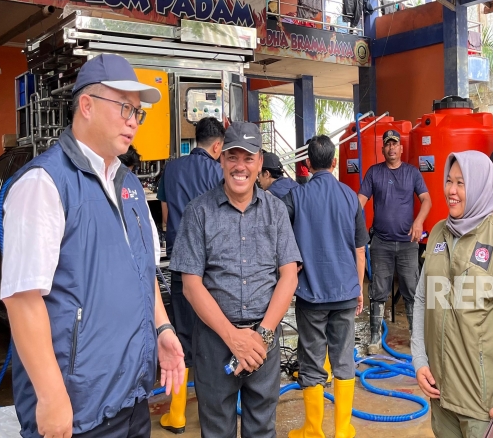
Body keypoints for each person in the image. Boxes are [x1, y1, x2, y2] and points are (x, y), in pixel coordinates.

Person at [0, 53, 185, 438]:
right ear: (86, 105)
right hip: (78, 409)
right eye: (125, 108)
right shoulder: (44, 185)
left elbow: (144, 271)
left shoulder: (130, 185)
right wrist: (51, 397)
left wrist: (163, 329)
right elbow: (22, 298)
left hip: (131, 397)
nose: (134, 121)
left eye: (138, 113)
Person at [170, 122, 301, 438]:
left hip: (263, 342)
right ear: (221, 159)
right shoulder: (198, 212)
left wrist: (262, 336)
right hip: (215, 342)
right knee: (216, 430)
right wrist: (233, 338)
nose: (240, 166)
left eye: (248, 157)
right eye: (232, 156)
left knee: (262, 428)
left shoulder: (276, 212)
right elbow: (191, 284)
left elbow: (288, 276)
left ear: (259, 162)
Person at [411, 151, 493, 438]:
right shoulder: (439, 232)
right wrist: (419, 360)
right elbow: (423, 299)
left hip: (482, 405)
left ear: (479, 186)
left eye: (461, 183)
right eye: (449, 181)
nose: (451, 191)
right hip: (441, 395)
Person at [281, 135, 369, 438]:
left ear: (307, 165)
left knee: (311, 359)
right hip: (345, 292)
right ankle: (343, 429)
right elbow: (360, 252)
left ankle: (312, 430)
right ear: (334, 163)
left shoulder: (295, 198)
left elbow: (279, 237)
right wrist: (358, 288)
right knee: (344, 358)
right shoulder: (350, 197)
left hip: (310, 295)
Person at [156, 116, 225, 433]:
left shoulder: (171, 168)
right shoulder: (217, 171)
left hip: (181, 263)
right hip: (213, 268)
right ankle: (216, 412)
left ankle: (178, 414)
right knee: (213, 337)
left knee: (181, 334)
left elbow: (166, 214)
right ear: (217, 145)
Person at [358, 129, 431, 352]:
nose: (391, 148)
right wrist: (348, 223)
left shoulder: (412, 173)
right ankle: (374, 337)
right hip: (381, 242)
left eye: (395, 144)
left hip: (408, 242)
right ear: (382, 149)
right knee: (378, 290)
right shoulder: (374, 173)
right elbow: (359, 201)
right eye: (387, 144)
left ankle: (415, 336)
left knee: (411, 289)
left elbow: (426, 199)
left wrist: (418, 222)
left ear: (401, 148)